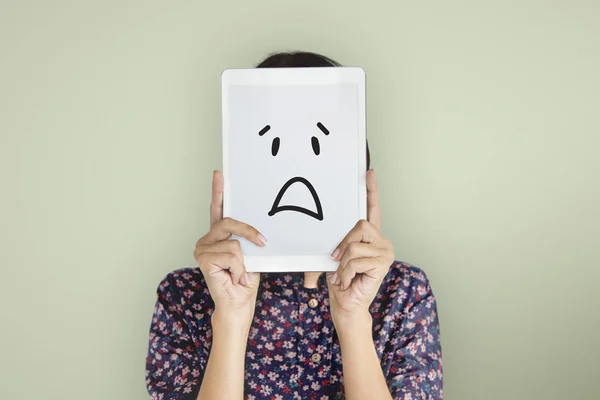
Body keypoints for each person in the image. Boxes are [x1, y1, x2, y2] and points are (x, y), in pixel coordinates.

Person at [145, 51, 443, 400]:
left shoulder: (402, 294)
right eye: (273, 147)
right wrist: (231, 317)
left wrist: (352, 318)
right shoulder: (186, 295)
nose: (297, 173)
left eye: (319, 147)